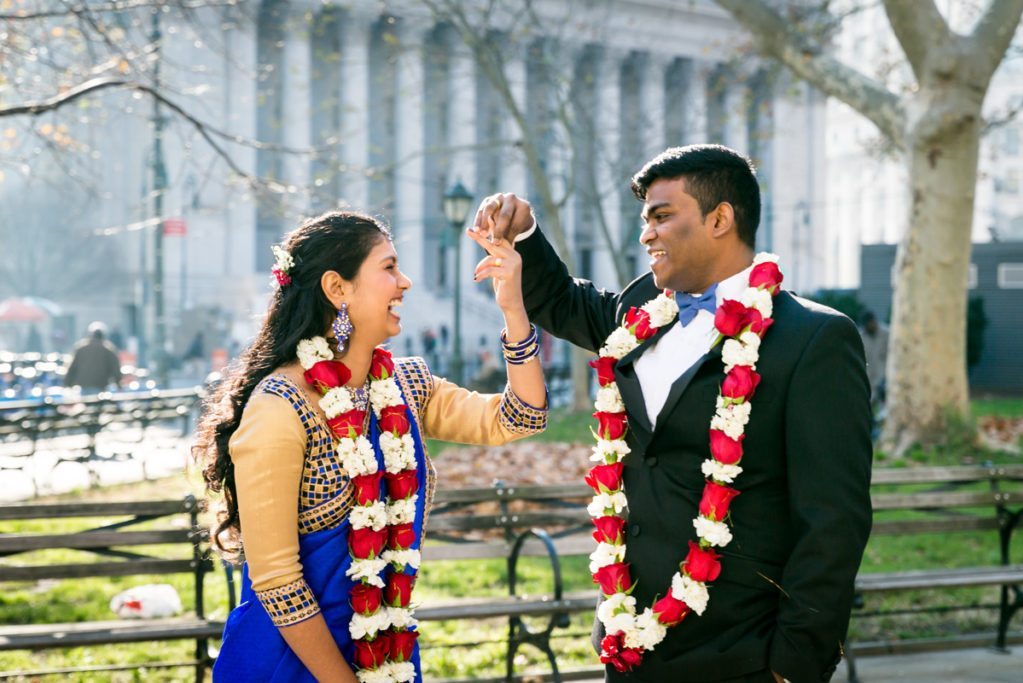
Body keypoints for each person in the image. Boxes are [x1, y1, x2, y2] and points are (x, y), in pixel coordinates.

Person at [474, 144, 872, 683]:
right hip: (628, 649)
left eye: (662, 217)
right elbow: (564, 302)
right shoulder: (640, 313)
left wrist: (795, 664)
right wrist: (522, 232)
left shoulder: (813, 338)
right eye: (646, 220)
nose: (646, 235)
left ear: (719, 219)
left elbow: (833, 520)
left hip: (744, 657)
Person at [194, 211, 547, 683]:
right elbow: (278, 582)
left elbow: (522, 415)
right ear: (337, 289)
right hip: (293, 663)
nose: (405, 282)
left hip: (388, 653)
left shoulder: (405, 386)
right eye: (388, 267)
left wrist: (513, 309)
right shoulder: (280, 408)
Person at [64, 322, 122, 393]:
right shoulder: (108, 349)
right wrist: (118, 384)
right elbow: (115, 369)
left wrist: (68, 383)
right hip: (100, 386)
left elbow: (73, 367)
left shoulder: (81, 348)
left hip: (83, 386)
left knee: (85, 402)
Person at [858, 310, 888, 407]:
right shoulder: (861, 336)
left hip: (884, 380)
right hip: (868, 381)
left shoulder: (887, 334)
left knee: (885, 410)